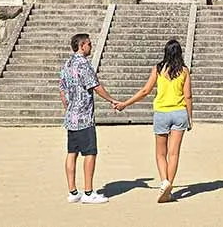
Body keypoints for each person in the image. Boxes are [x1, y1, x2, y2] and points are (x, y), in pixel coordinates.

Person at [114, 39, 192, 203]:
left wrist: (125, 104)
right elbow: (188, 96)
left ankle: (164, 182)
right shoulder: (184, 71)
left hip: (162, 113)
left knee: (160, 153)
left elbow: (145, 91)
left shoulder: (158, 69)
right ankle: (168, 186)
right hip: (179, 112)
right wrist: (190, 117)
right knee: (174, 153)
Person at [60, 33, 121, 205]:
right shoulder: (83, 64)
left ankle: (72, 191)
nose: (90, 47)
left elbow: (62, 91)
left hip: (71, 117)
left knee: (72, 153)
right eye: (88, 44)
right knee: (90, 153)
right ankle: (88, 192)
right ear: (82, 45)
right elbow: (95, 86)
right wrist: (112, 100)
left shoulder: (67, 64)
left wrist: (69, 108)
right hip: (84, 117)